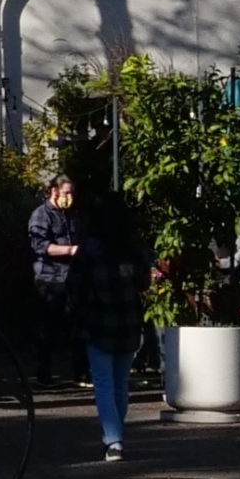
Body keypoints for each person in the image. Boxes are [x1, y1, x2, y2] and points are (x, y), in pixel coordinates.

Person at [72, 192, 146, 461]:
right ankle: (115, 436)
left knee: (103, 382)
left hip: (97, 320)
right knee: (120, 383)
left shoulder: (89, 248)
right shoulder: (132, 246)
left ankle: (113, 439)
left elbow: (75, 284)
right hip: (128, 319)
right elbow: (144, 282)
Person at [28, 174, 83, 385]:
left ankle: (80, 373)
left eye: (72, 193)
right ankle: (44, 375)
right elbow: (41, 247)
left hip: (71, 278)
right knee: (47, 329)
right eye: (66, 192)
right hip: (49, 278)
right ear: (54, 191)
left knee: (76, 327)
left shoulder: (71, 215)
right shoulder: (41, 215)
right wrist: (71, 250)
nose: (70, 197)